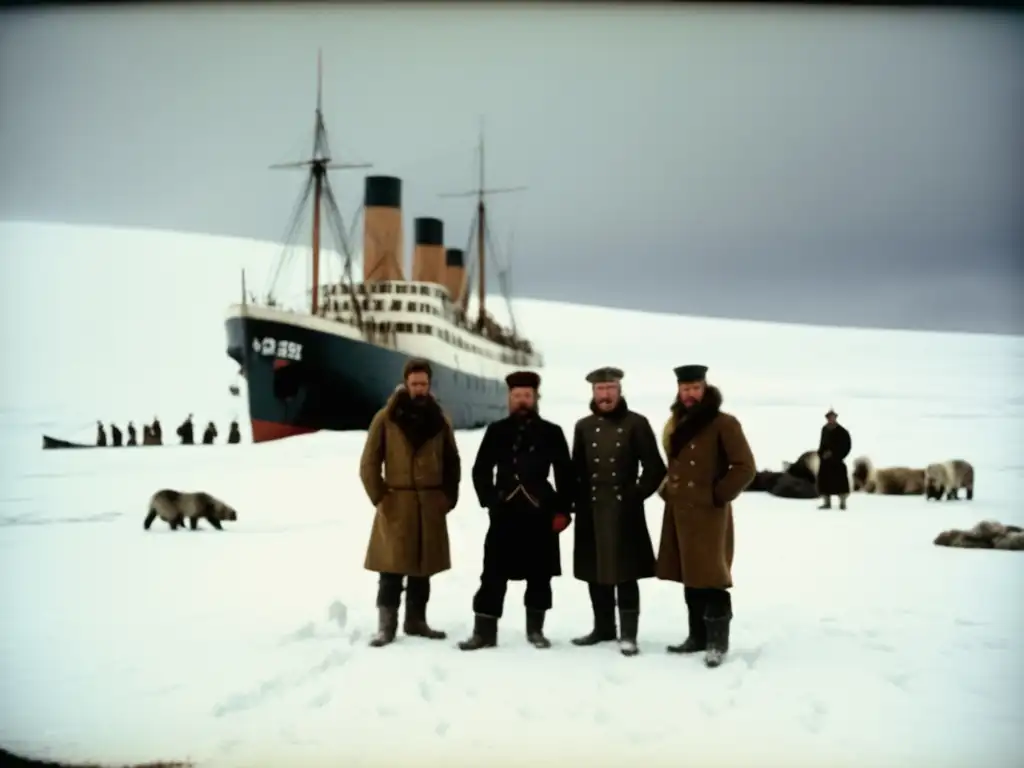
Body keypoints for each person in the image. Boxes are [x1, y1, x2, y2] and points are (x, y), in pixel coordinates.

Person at [458, 371, 575, 651]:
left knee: (540, 575)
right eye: (516, 396)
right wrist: (491, 501)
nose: (522, 401)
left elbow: (566, 475)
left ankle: (536, 630)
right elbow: (480, 470)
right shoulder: (496, 431)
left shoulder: (552, 432)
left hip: (540, 513)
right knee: (492, 574)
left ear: (535, 398)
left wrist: (562, 510)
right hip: (505, 513)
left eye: (527, 396)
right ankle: (484, 631)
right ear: (509, 398)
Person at [656, 364, 756, 668]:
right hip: (680, 511)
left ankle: (717, 642)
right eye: (685, 389)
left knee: (712, 577)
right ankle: (697, 636)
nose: (689, 394)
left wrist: (718, 495)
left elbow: (744, 467)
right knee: (690, 576)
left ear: (705, 388)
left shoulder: (724, 423)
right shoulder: (675, 423)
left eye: (695, 388)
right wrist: (668, 490)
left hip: (710, 515)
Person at [359, 358, 461, 648]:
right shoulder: (386, 417)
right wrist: (381, 497)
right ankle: (386, 627)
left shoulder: (440, 419)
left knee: (423, 567)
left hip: (430, 504)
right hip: (396, 503)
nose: (419, 389)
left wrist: (447, 497)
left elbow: (453, 462)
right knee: (390, 569)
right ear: (406, 383)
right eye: (414, 383)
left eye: (424, 384)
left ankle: (416, 621)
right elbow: (368, 464)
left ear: (429, 385)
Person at [570, 366, 666, 657]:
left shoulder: (636, 423)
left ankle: (628, 634)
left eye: (610, 388)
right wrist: (574, 500)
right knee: (594, 569)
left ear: (620, 390)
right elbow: (577, 469)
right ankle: (603, 628)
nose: (606, 395)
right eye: (600, 389)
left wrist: (636, 495)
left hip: (625, 508)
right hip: (591, 507)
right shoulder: (583, 426)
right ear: (593, 393)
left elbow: (655, 468)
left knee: (626, 571)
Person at [817, 408, 852, 510]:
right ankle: (826, 502)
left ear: (835, 418)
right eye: (828, 417)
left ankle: (842, 503)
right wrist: (821, 453)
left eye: (832, 417)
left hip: (837, 462)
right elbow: (822, 444)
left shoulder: (842, 431)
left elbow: (847, 445)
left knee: (840, 483)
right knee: (824, 482)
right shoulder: (824, 429)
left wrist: (835, 454)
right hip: (825, 463)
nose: (830, 419)